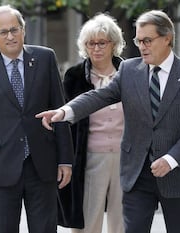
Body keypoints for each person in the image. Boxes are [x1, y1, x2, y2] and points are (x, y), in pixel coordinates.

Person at [36, 10, 180, 233]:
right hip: (137, 176)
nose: (141, 46)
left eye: (147, 40)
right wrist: (65, 111)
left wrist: (171, 159)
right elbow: (99, 96)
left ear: (167, 38)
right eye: (138, 40)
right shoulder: (129, 70)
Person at [0, 5, 73, 233]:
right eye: (3, 32)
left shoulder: (45, 58)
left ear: (24, 30)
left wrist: (65, 159)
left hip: (42, 164)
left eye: (15, 29)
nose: (10, 36)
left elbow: (60, 111)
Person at [57, 13, 125, 233]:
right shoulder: (75, 76)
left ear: (113, 44)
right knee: (88, 220)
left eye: (101, 43)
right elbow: (66, 122)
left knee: (123, 221)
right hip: (90, 157)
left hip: (126, 157)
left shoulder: (130, 72)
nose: (96, 48)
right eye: (90, 43)